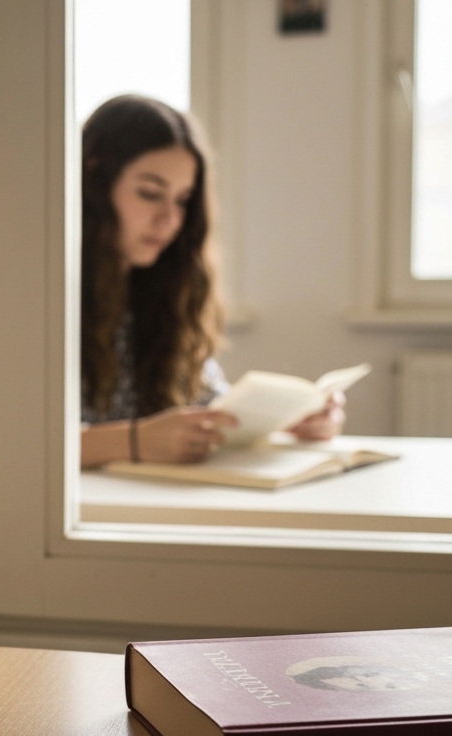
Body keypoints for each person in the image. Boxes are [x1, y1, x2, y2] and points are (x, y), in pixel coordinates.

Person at [79, 95, 344, 467]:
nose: (170, 220)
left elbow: (205, 403)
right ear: (94, 183)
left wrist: (287, 419)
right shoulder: (42, 290)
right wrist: (135, 441)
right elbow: (16, 439)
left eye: (183, 200)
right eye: (150, 194)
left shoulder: (161, 290)